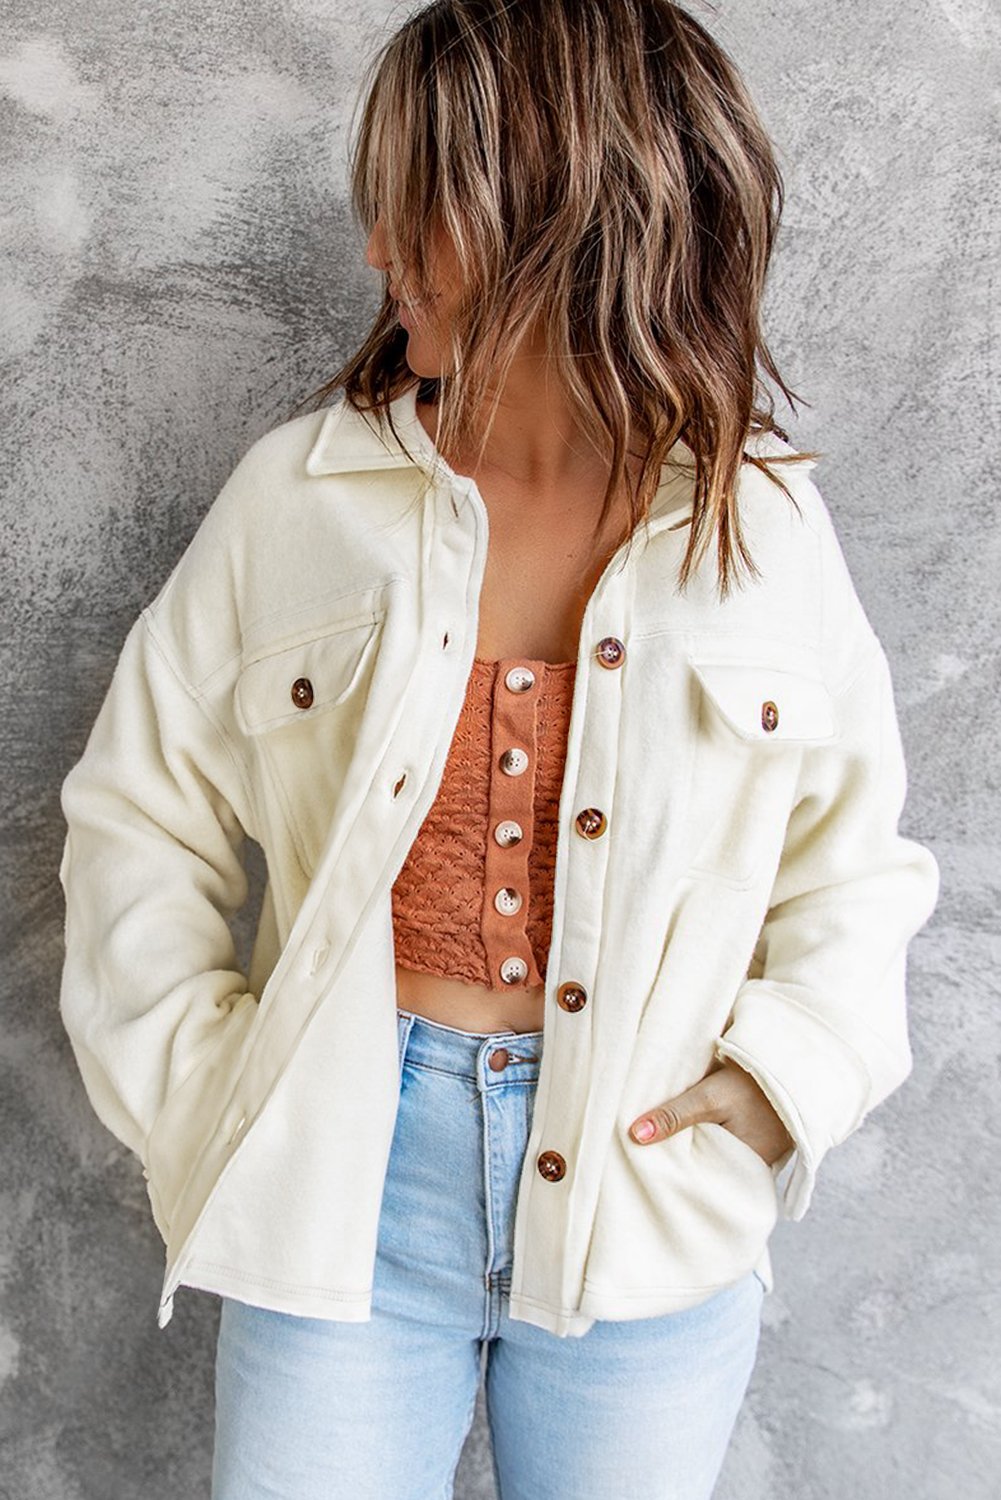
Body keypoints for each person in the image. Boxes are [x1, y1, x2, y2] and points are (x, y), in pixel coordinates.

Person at [56, 2, 940, 1497]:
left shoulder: (760, 528)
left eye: (420, 210)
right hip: (340, 1196)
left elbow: (853, 865)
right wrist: (209, 1095)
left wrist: (779, 1082)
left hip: (648, 1208)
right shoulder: (301, 499)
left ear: (558, 220)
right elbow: (139, 816)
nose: (374, 251)